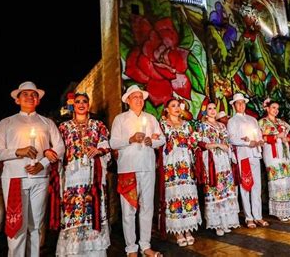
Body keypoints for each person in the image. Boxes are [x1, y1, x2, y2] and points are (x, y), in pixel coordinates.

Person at [0, 81, 65, 257]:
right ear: (17, 100)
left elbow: (60, 147)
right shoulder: (6, 122)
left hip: (40, 177)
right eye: (25, 94)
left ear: (38, 101)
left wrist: (43, 163)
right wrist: (19, 151)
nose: (30, 97)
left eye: (34, 95)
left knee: (35, 224)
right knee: (17, 223)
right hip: (14, 178)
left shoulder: (46, 122)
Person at [109, 85, 165, 257]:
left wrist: (152, 142)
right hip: (128, 169)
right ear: (128, 101)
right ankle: (131, 248)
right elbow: (113, 143)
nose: (139, 100)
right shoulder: (120, 119)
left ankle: (145, 245)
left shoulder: (151, 118)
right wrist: (130, 139)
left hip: (148, 168)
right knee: (128, 210)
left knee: (147, 207)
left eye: (141, 97)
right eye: (135, 97)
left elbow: (161, 138)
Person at [56, 93, 111, 256]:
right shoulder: (64, 127)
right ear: (73, 105)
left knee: (93, 208)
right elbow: (59, 150)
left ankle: (95, 251)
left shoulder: (98, 125)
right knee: (73, 209)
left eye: (84, 102)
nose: (81, 104)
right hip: (72, 175)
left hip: (93, 173)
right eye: (78, 102)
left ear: (89, 104)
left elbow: (106, 145)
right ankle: (74, 251)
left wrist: (99, 150)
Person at [159, 98, 201, 247]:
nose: (176, 108)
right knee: (175, 194)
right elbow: (159, 143)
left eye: (178, 106)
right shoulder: (163, 125)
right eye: (173, 106)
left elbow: (194, 141)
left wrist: (193, 140)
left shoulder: (186, 125)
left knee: (187, 192)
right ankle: (178, 231)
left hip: (186, 163)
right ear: (166, 110)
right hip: (171, 164)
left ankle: (188, 229)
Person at [198, 102, 239, 236]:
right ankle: (217, 224)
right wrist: (217, 144)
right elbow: (201, 144)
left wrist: (224, 147)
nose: (212, 110)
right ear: (205, 112)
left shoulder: (222, 125)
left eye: (214, 108)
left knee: (226, 191)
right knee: (215, 190)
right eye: (209, 109)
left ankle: (226, 222)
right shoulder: (203, 126)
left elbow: (227, 144)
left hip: (224, 161)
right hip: (212, 161)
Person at [227, 93, 268, 229]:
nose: (241, 105)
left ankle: (258, 216)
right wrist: (246, 143)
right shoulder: (232, 121)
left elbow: (258, 134)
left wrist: (260, 141)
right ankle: (248, 217)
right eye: (238, 103)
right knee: (246, 185)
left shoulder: (252, 120)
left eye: (243, 103)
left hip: (255, 154)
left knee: (256, 185)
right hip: (243, 155)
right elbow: (232, 138)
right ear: (233, 105)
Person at [258, 99, 290, 221]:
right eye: (273, 107)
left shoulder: (281, 122)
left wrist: (288, 139)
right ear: (267, 108)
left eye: (277, 108)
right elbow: (261, 138)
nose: (276, 110)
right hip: (272, 153)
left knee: (287, 179)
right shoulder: (262, 122)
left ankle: (288, 209)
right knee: (277, 180)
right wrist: (276, 136)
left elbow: (289, 136)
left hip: (284, 153)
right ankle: (279, 211)